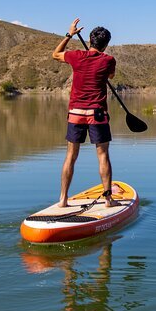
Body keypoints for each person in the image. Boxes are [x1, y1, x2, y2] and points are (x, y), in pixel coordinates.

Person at [52, 18, 120, 208]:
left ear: (90, 40)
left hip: (76, 113)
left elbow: (55, 54)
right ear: (106, 44)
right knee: (103, 155)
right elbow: (110, 75)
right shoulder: (108, 60)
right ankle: (108, 200)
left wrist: (69, 35)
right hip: (97, 114)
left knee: (70, 156)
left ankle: (63, 199)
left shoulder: (76, 56)